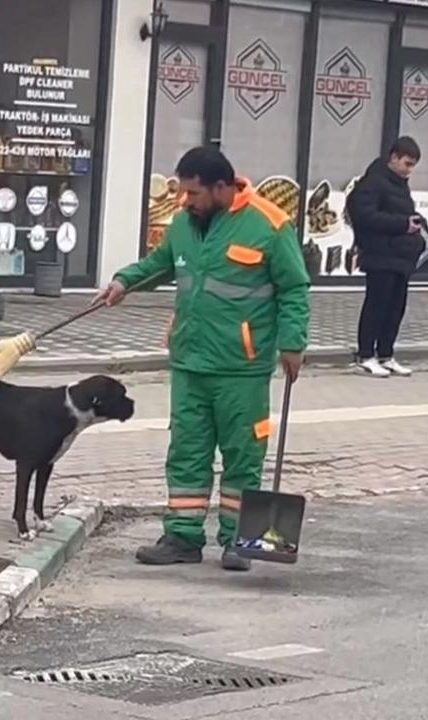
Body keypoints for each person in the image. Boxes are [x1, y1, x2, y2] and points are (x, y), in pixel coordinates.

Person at [94, 146, 311, 571]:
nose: (185, 201)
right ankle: (182, 537)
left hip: (241, 368)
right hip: (190, 362)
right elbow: (161, 264)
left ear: (221, 188)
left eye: (193, 193)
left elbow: (294, 289)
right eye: (182, 193)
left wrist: (292, 344)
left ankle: (239, 541)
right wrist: (124, 281)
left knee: (242, 455)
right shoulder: (183, 224)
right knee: (186, 453)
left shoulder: (270, 225)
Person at [347, 136, 427, 378]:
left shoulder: (400, 184)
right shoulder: (373, 182)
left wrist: (414, 222)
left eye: (413, 165)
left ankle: (386, 354)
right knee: (376, 305)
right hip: (380, 255)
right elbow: (365, 216)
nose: (409, 170)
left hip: (400, 257)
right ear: (394, 158)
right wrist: (403, 224)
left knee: (395, 307)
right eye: (407, 163)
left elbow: (400, 211)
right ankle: (365, 355)